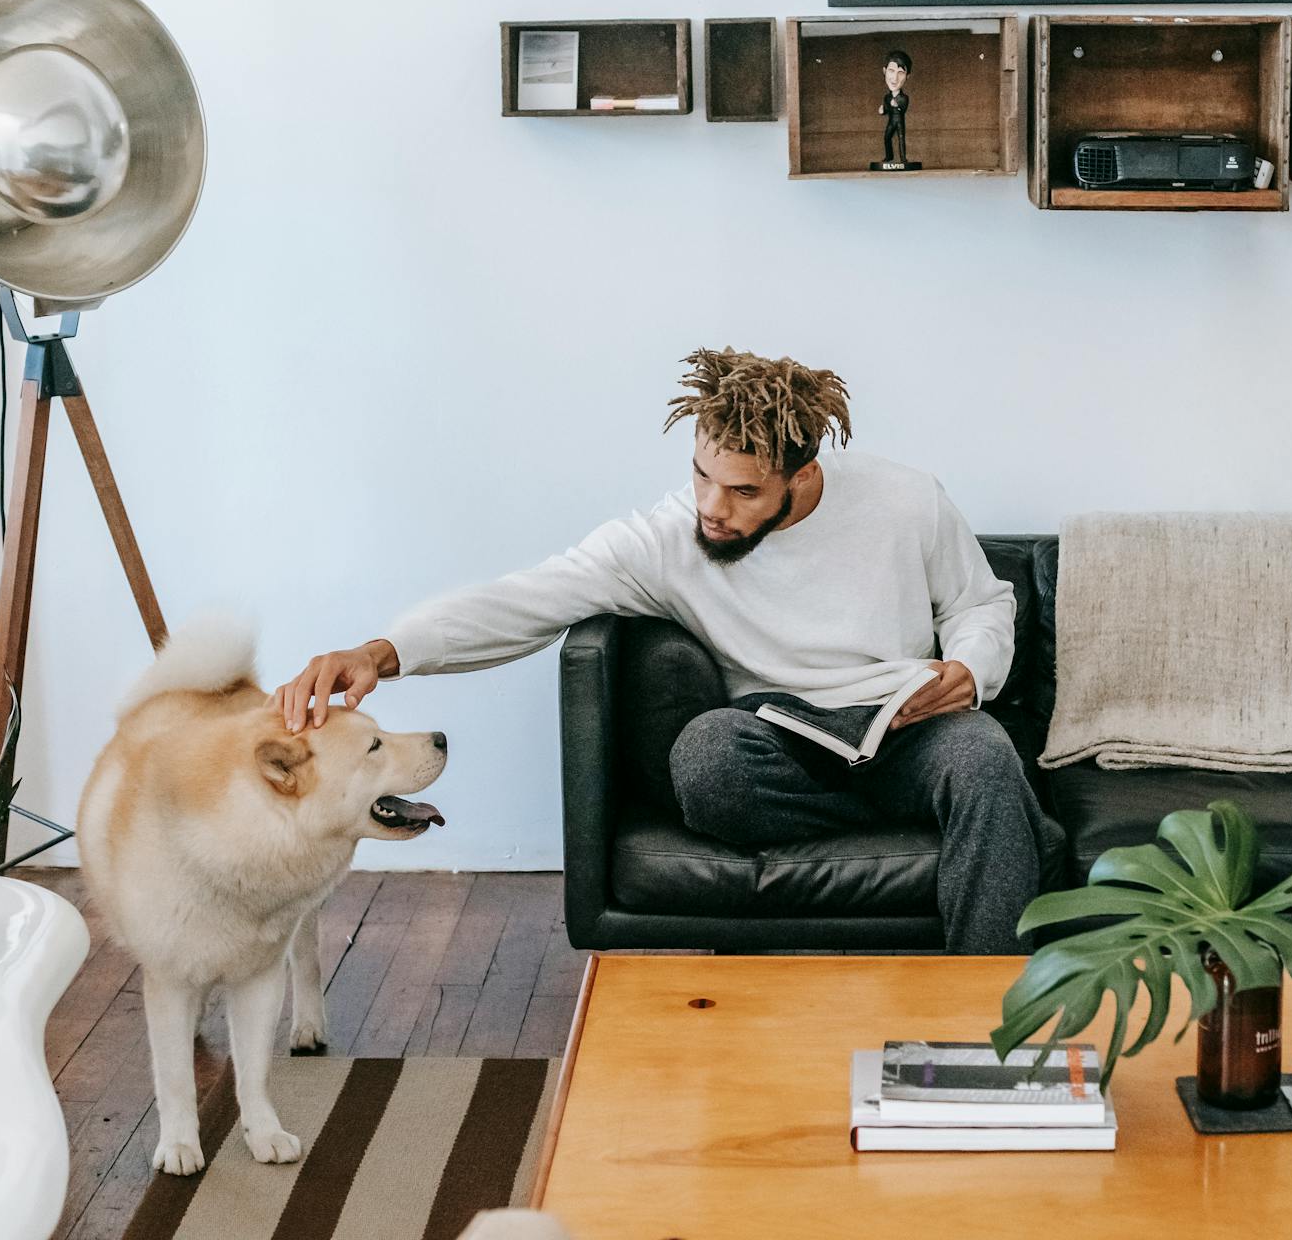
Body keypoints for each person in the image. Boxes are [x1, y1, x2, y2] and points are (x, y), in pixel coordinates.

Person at [275, 347, 1063, 954]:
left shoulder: (905, 501)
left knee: (985, 758)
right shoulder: (665, 540)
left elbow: (982, 603)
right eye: (701, 477)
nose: (712, 510)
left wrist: (967, 669)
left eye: (745, 493)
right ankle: (1003, 834)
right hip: (782, 745)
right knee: (707, 759)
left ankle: (977, 1024)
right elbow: (529, 598)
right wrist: (382, 653)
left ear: (802, 474)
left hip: (905, 727)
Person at [879, 50, 911, 165]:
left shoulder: (904, 97)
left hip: (899, 121)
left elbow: (903, 108)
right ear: (884, 71)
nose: (895, 78)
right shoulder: (887, 97)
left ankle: (903, 158)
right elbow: (887, 109)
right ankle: (889, 156)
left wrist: (897, 107)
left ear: (907, 76)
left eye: (901, 73)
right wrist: (883, 111)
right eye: (891, 71)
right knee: (887, 137)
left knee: (901, 139)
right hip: (891, 121)